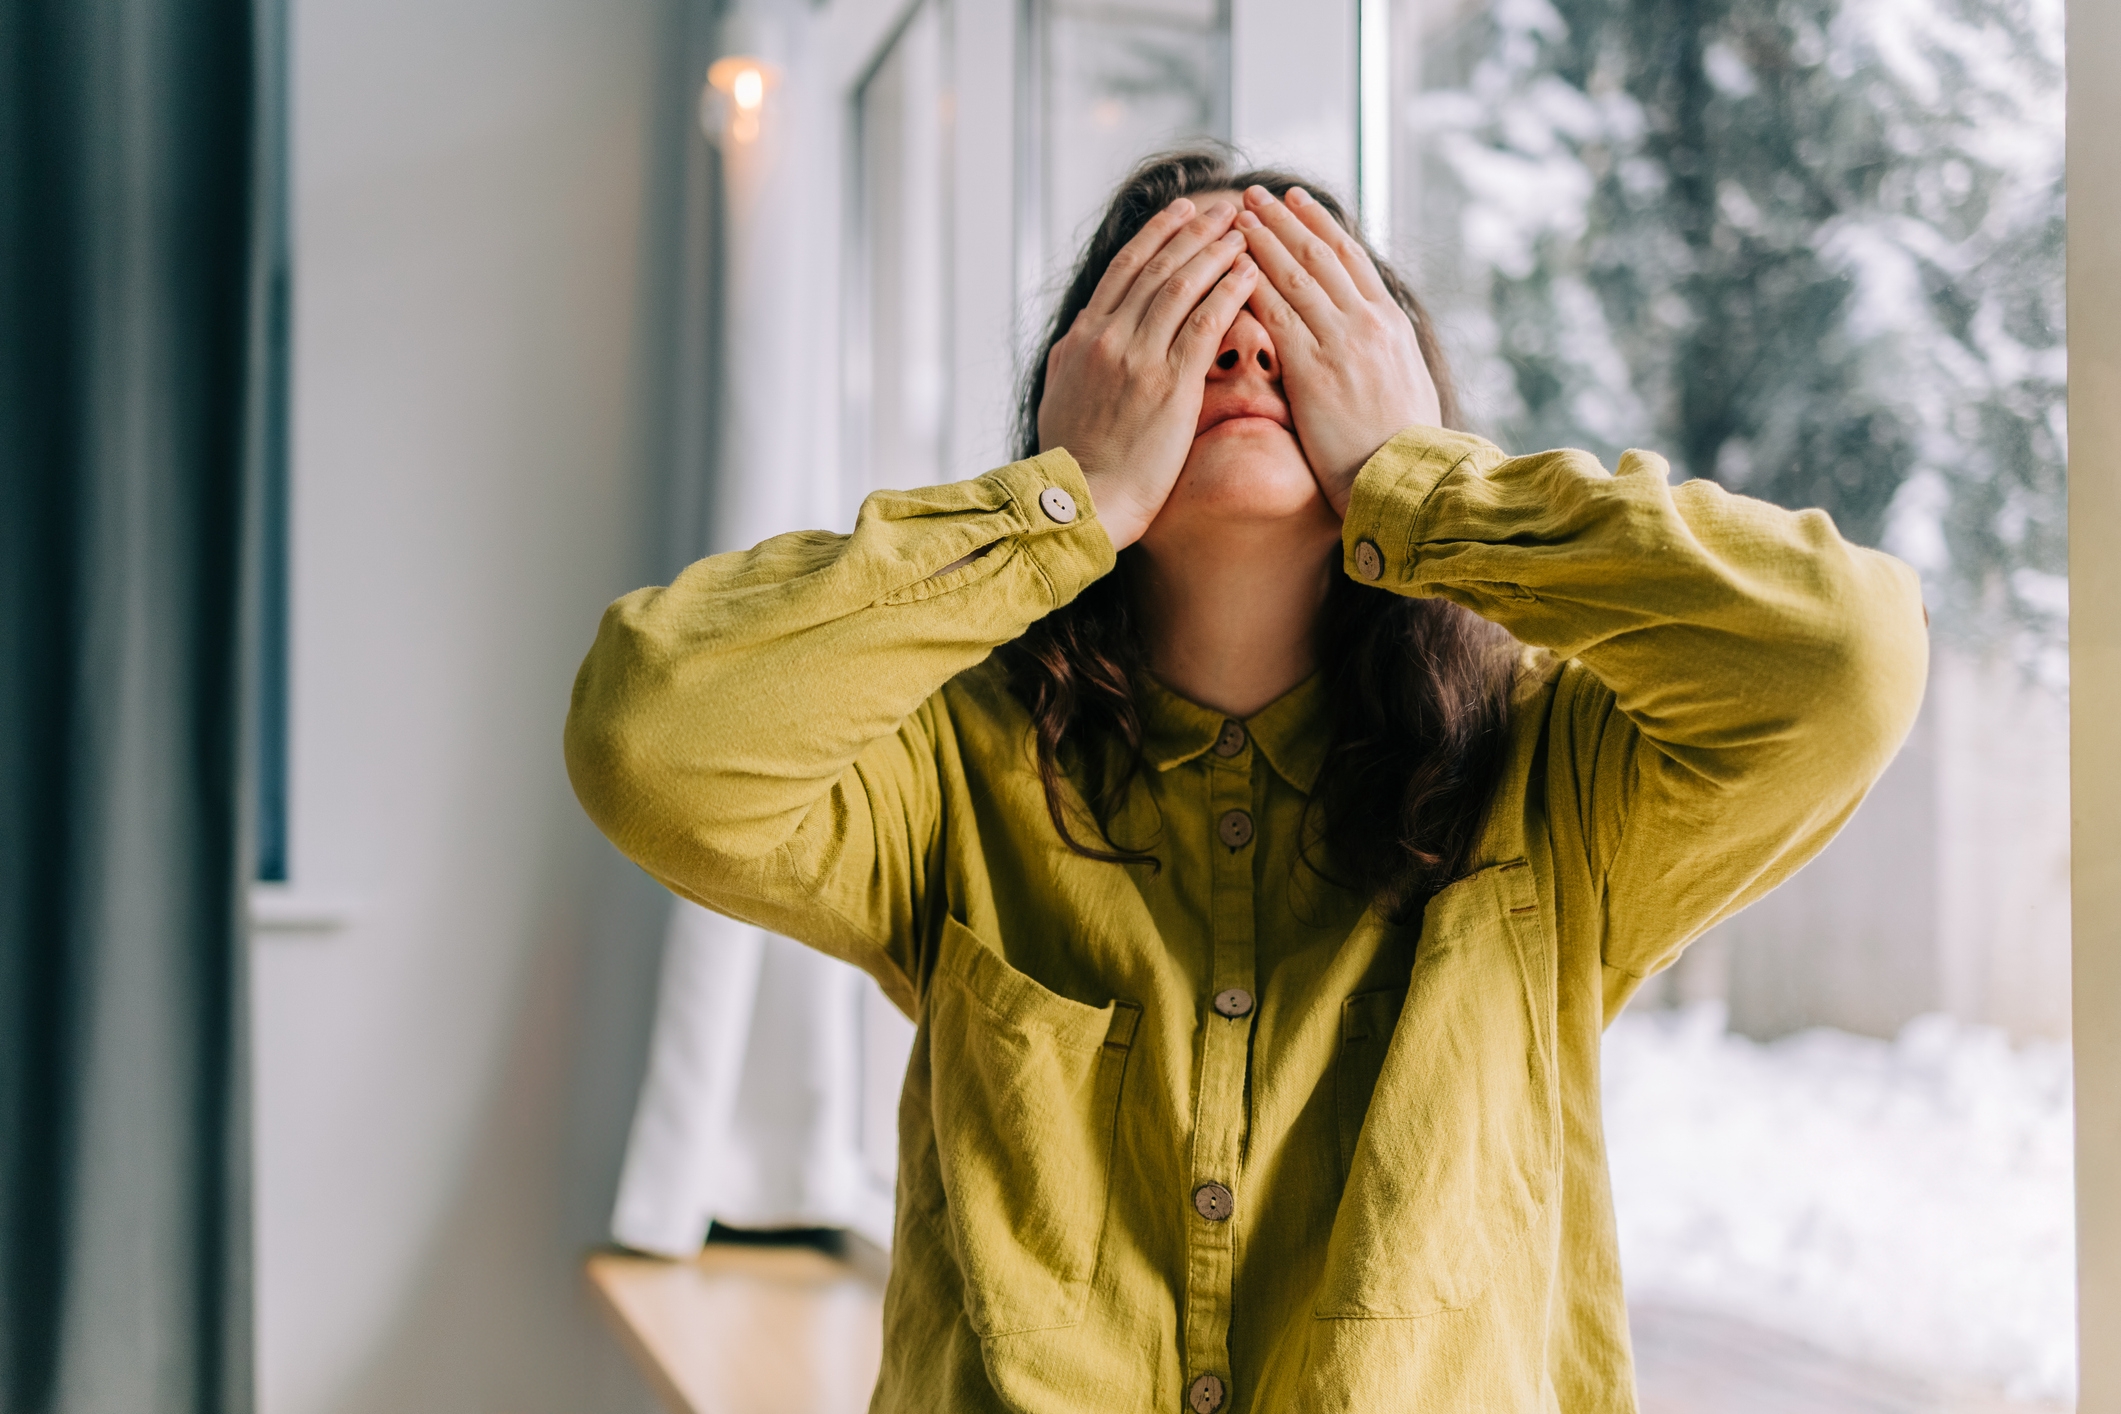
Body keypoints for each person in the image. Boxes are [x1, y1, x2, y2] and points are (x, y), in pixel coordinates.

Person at [564, 150, 1927, 1413]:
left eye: (1305, 314)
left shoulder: (1552, 781)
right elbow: (651, 735)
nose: (1242, 339)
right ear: (1083, 384)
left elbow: (1840, 660)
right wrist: (1065, 502)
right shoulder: (948, 773)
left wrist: (1425, 489)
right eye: (1174, 311)